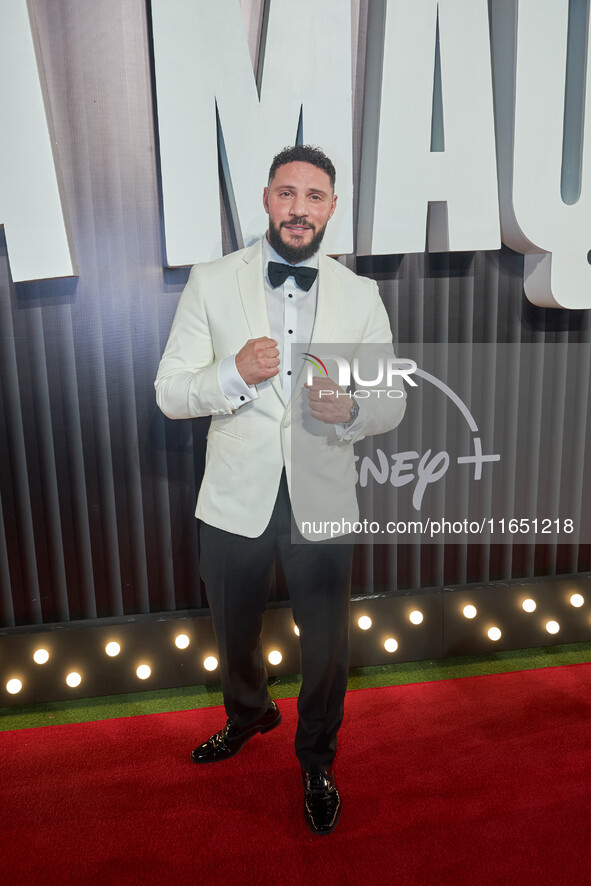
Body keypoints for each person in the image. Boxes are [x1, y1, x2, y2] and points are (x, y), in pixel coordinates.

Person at [155, 145, 406, 835]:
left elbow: (391, 403)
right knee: (233, 630)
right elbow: (170, 393)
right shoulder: (211, 282)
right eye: (287, 193)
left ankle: (317, 760)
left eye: (315, 196)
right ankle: (247, 712)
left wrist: (352, 410)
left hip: (322, 499)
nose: (300, 208)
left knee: (323, 644)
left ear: (331, 207)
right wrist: (232, 375)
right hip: (234, 496)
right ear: (266, 200)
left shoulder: (360, 294)